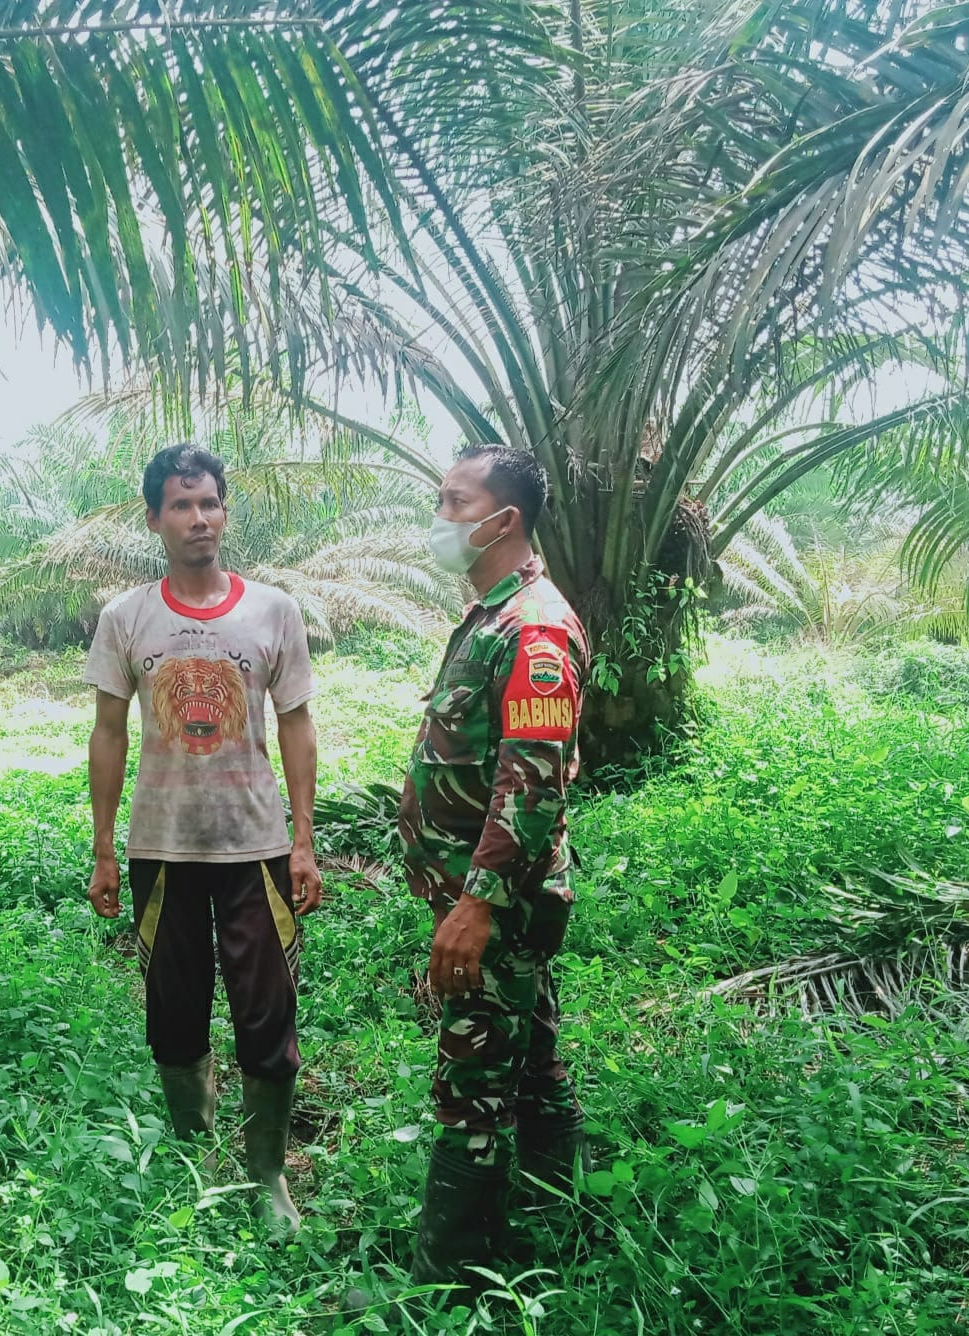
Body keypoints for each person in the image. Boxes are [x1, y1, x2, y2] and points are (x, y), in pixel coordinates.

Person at [83, 444, 322, 1229]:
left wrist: (304, 840)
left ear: (226, 512)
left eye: (210, 503)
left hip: (254, 846)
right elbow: (108, 734)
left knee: (266, 1010)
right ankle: (192, 1155)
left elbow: (295, 724)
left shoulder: (272, 611)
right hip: (162, 847)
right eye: (181, 506)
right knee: (174, 1011)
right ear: (154, 519)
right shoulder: (127, 617)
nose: (199, 519)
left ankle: (266, 1178)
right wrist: (105, 847)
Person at [398, 444, 589, 1292]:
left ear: (502, 519)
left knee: (472, 1075)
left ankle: (451, 1275)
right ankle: (561, 1213)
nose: (440, 517)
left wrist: (475, 905)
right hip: (485, 897)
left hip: (496, 904)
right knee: (533, 1048)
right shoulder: (489, 616)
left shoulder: (536, 630)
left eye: (453, 501)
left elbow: (531, 780)